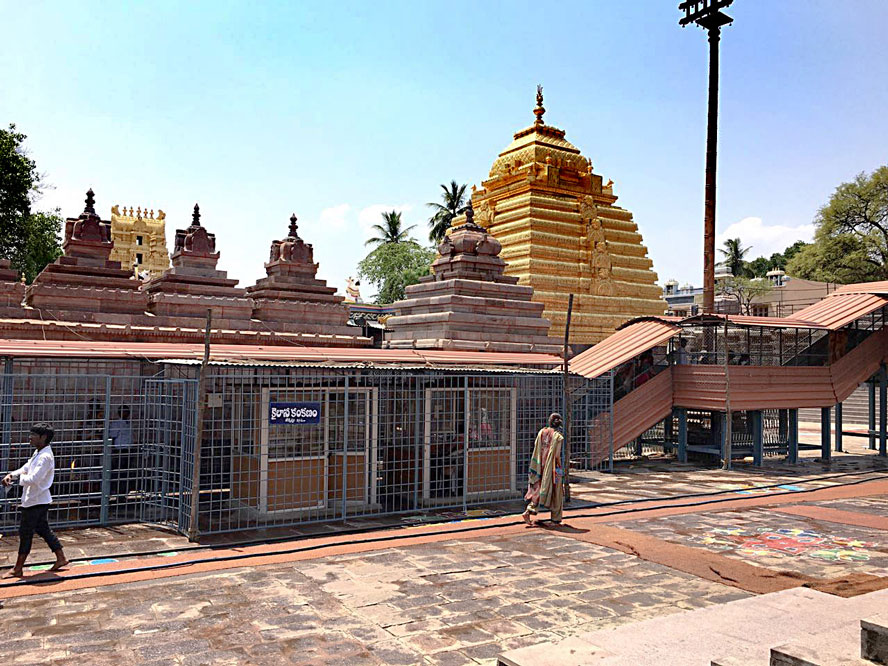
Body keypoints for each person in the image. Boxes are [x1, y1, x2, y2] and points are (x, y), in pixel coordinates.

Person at [2, 423, 69, 577]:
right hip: (37, 499)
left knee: (25, 533)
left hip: (36, 501)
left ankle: (18, 568)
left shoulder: (45, 457)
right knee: (43, 529)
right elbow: (26, 468)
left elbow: (34, 478)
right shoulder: (38, 453)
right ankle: (61, 558)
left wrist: (14, 480)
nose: (30, 437)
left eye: (33, 435)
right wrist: (12, 474)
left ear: (43, 437)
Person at [522, 413, 565, 526]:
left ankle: (528, 511)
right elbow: (556, 455)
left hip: (539, 467)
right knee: (557, 491)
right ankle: (556, 519)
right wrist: (559, 467)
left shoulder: (542, 432)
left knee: (538, 491)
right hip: (551, 468)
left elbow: (537, 447)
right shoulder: (557, 436)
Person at [109, 405, 136, 499]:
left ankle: (124, 493)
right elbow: (112, 437)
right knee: (119, 473)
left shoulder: (129, 423)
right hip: (120, 451)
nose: (126, 413)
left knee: (126, 473)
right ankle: (118, 493)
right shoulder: (116, 424)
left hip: (129, 450)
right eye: (124, 411)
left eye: (127, 411)